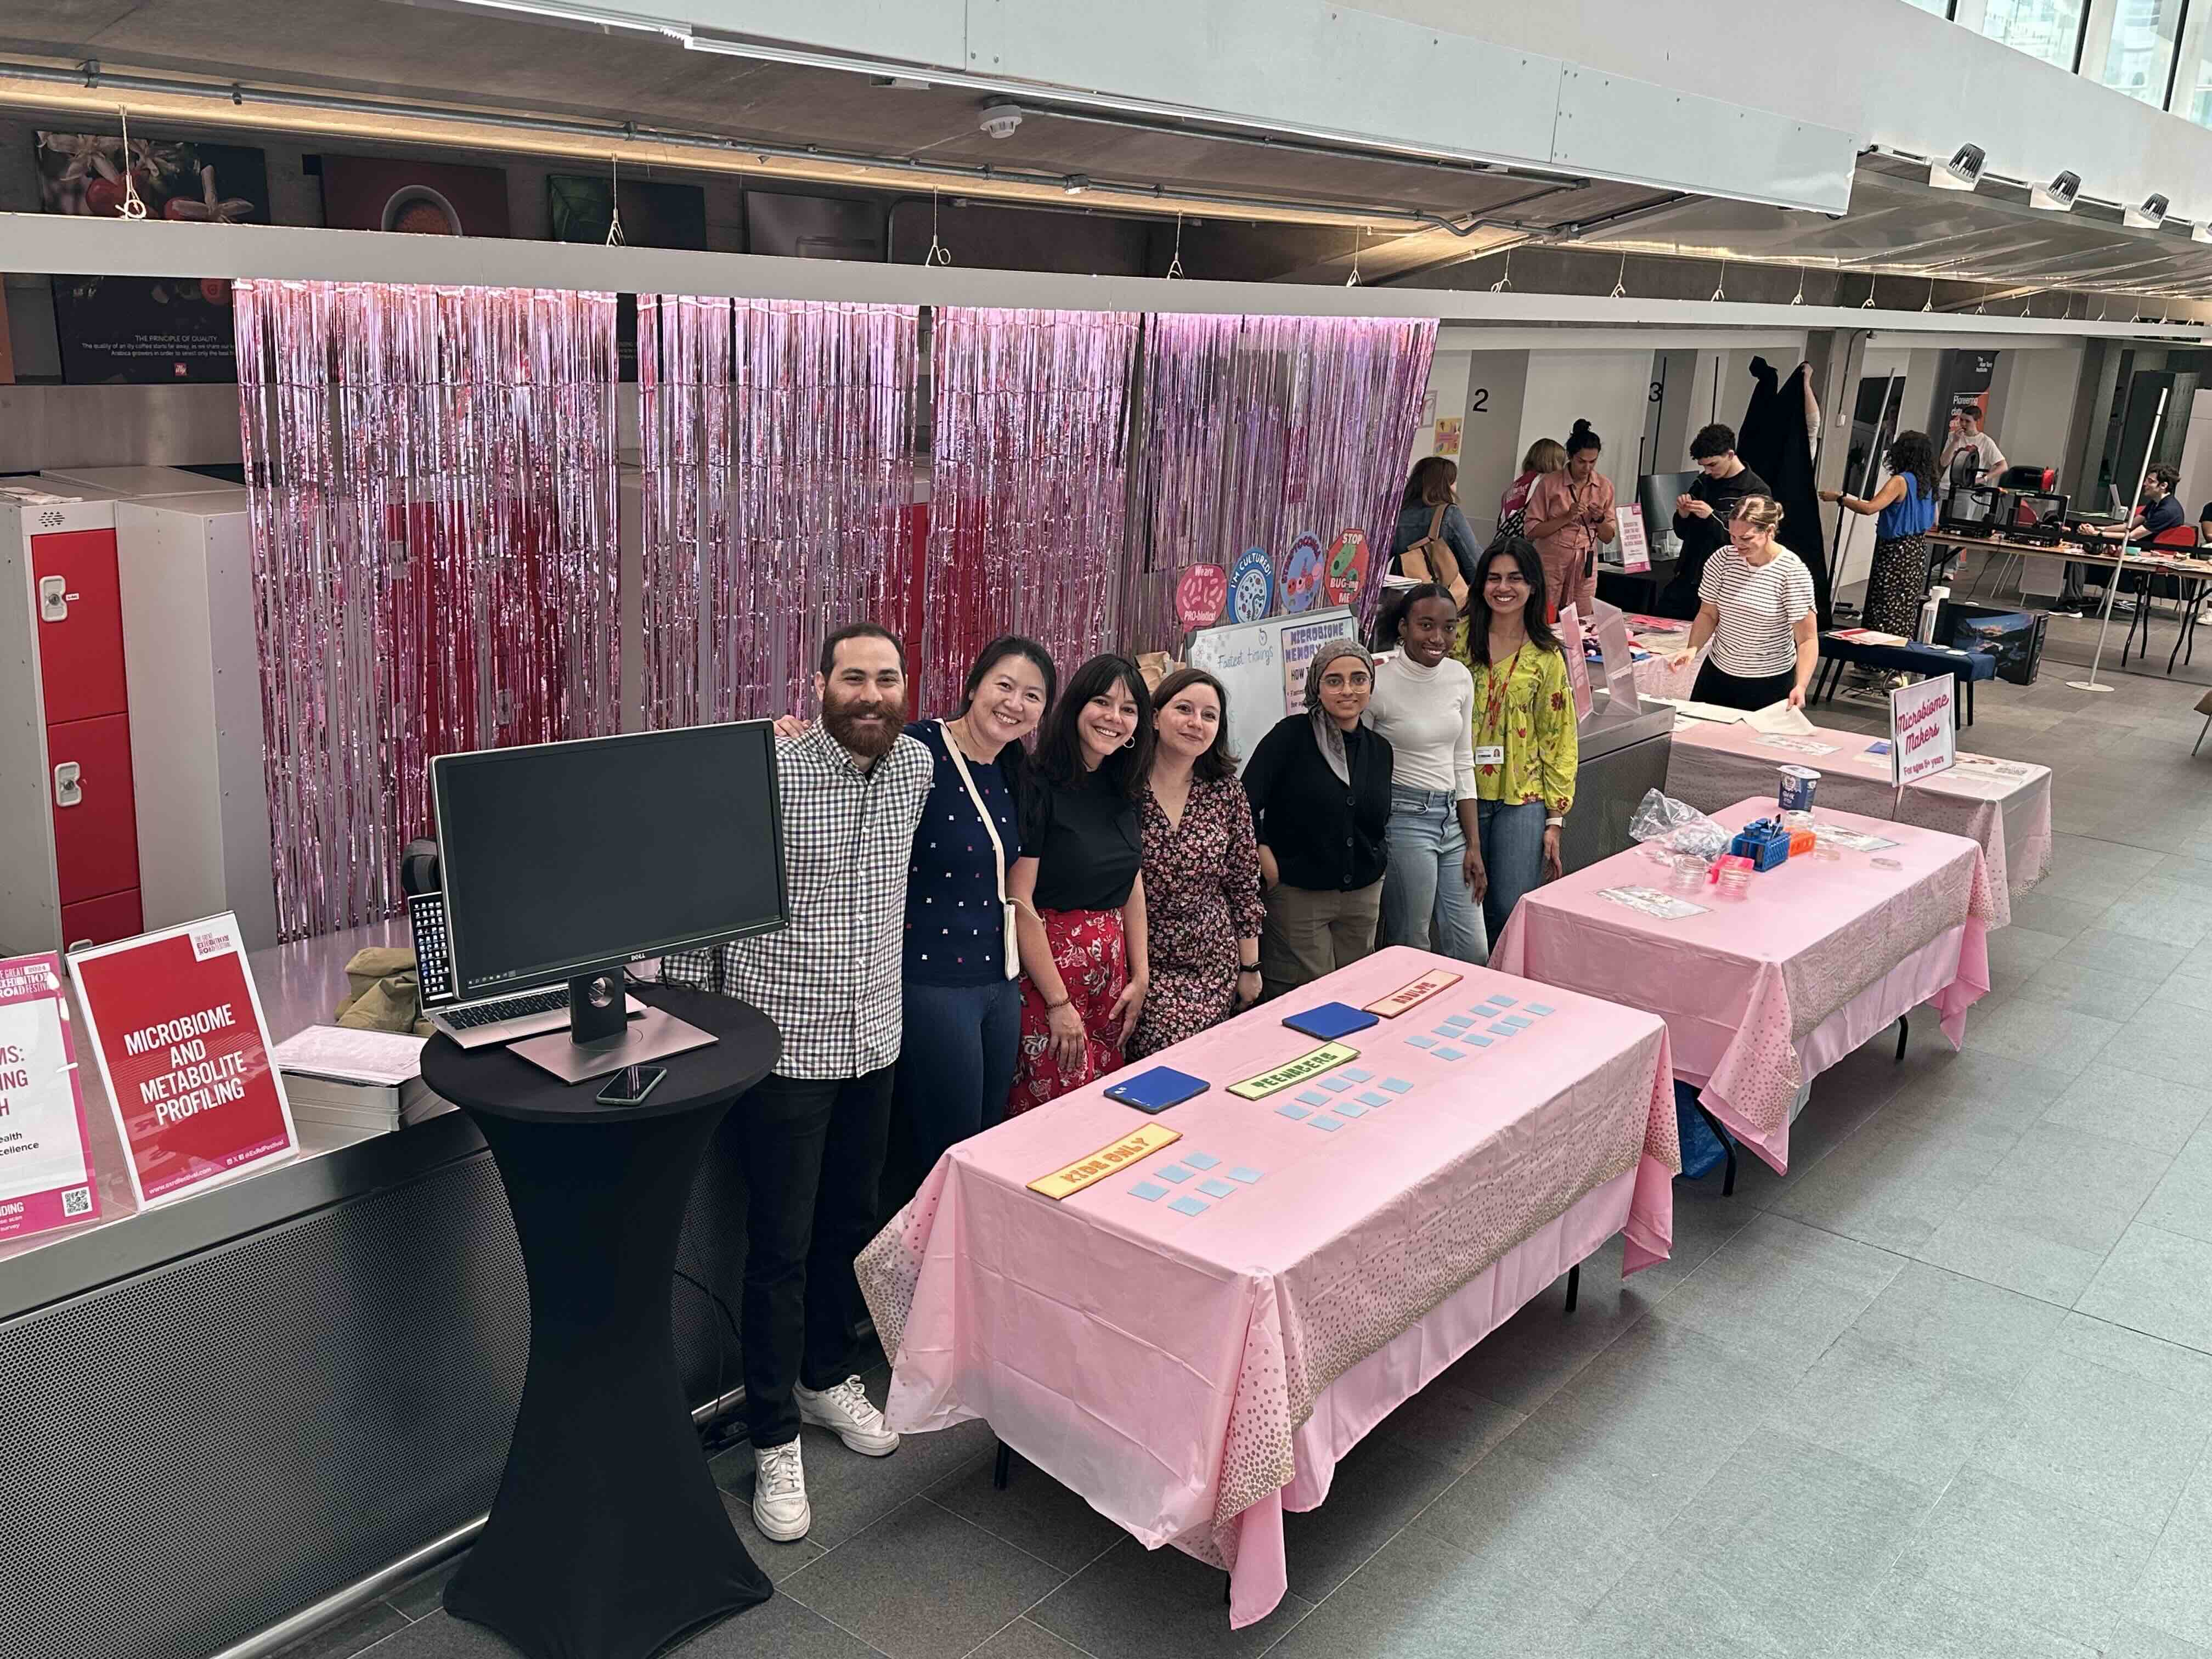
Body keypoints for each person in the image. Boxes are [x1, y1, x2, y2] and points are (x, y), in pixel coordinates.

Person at [662, 623, 932, 1545]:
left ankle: (822, 1377)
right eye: (852, 677)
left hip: (875, 1038)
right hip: (784, 1047)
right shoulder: (768, 772)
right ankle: (773, 1432)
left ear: (905, 687)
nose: (870, 693)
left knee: (847, 1226)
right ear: (818, 686)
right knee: (777, 1246)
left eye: (886, 678)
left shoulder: (916, 769)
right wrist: (693, 1022)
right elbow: (704, 900)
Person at [884, 637, 1056, 1207]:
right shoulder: (917, 747)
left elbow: (1018, 893)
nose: (1014, 704)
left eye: (1032, 696)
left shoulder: (1017, 774)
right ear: (974, 685)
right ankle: (918, 1258)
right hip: (931, 980)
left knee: (984, 1138)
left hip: (998, 984)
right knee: (944, 1148)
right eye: (1004, 686)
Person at [1008, 654, 1152, 1113]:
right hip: (1049, 980)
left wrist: (1141, 975)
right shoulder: (1037, 784)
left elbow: (1131, 882)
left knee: (1104, 1111)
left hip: (1111, 980)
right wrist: (1057, 1003)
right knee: (1055, 1111)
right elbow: (1018, 897)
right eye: (1102, 702)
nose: (1114, 718)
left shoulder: (1124, 785)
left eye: (1128, 709)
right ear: (1075, 706)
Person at [1128, 668, 1266, 1057]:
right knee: (1164, 1054)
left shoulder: (1226, 791)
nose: (1196, 723)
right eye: (1184, 709)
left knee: (1214, 1062)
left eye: (1209, 715)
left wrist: (1250, 968)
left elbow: (1243, 885)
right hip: (1141, 960)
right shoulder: (1123, 787)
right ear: (1155, 716)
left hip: (1213, 960)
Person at [1244, 640, 1392, 998]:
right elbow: (1240, 803)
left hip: (1362, 896)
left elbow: (1376, 820)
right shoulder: (1289, 737)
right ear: (1316, 686)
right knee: (1308, 997)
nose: (1348, 690)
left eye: (1359, 679)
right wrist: (1264, 853)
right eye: (1334, 680)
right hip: (1300, 895)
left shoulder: (1379, 750)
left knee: (1356, 995)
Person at [1459, 539, 1576, 944]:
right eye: (1494, 578)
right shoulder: (1456, 642)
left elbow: (1558, 738)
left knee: (1509, 908)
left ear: (1532, 586)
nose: (1503, 588)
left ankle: (1501, 980)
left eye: (1515, 578)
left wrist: (1555, 820)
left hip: (1522, 798)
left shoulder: (1547, 656)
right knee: (1465, 910)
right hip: (1462, 793)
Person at [1368, 584, 1484, 962]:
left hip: (1453, 821)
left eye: (1449, 628)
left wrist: (1474, 844)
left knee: (1474, 950)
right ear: (1404, 627)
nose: (1438, 638)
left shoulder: (1459, 677)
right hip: (1404, 820)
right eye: (1426, 625)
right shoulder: (1377, 685)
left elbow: (1462, 760)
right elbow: (1362, 769)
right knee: (1412, 945)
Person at [1668, 495, 1819, 712]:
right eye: (1733, 536)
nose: (1738, 545)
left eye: (1746, 538)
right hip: (1719, 670)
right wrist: (1693, 648)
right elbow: (1708, 614)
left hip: (1769, 678)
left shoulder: (1792, 572)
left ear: (1769, 531)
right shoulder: (1722, 559)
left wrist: (1801, 685)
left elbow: (1807, 639)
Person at [1821, 430, 1939, 637]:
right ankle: (1898, 647)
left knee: (1884, 603)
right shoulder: (1929, 483)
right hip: (1917, 550)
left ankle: (1876, 649)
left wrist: (1839, 498)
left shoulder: (1900, 481)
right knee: (1904, 606)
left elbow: (1870, 508)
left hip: (1895, 551)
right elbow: (1935, 519)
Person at [1662, 424, 1769, 619]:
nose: (1708, 471)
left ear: (1730, 455)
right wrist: (1683, 514)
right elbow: (1683, 533)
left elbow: (1749, 541)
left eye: (1712, 465)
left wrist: (1712, 516)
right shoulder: (1703, 482)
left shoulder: (1755, 491)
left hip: (1727, 583)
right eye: (1703, 466)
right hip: (1689, 575)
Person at [1522, 419, 1615, 622]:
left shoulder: (1604, 486)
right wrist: (1566, 517)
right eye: (1582, 461)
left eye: (1593, 462)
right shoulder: (1549, 484)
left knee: (1582, 619)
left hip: (1585, 561)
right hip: (1551, 560)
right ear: (1571, 457)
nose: (1587, 467)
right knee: (1544, 617)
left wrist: (1600, 519)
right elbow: (1531, 531)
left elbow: (1609, 537)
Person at [2074, 466, 2188, 618]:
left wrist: (2097, 534)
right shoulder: (2155, 503)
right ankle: (2072, 600)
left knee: (2084, 552)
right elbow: (2128, 526)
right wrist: (2097, 528)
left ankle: (2071, 604)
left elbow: (2133, 536)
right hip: (2139, 546)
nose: (2145, 484)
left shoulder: (2168, 510)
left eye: (2150, 481)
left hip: (2150, 554)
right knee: (2085, 547)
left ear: (2163, 486)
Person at [1390, 455, 1479, 605]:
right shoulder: (1449, 513)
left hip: (1403, 600)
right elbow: (1474, 565)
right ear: (1445, 485)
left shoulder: (1397, 515)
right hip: (1440, 600)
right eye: (1453, 482)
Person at [1496, 438, 1567, 546]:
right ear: (1553, 463)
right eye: (1561, 462)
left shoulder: (1516, 484)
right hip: (1525, 543)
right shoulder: (1543, 482)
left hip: (1505, 541)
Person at [1939, 406, 2006, 505]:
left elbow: (2003, 466)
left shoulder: (1985, 441)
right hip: (1947, 486)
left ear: (1977, 422)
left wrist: (1984, 479)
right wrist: (1955, 442)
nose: (1963, 424)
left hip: (1967, 490)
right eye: (1961, 420)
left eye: (1968, 421)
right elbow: (1944, 463)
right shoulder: (1953, 436)